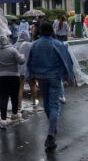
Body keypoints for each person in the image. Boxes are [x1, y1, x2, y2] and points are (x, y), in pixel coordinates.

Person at [26, 22, 74, 150]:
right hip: (54, 77)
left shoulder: (35, 45)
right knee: (54, 104)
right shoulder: (57, 44)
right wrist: (69, 76)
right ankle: (51, 134)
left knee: (46, 103)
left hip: (41, 77)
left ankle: (52, 126)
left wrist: (30, 77)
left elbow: (29, 62)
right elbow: (67, 60)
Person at [0, 32, 25, 129]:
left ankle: (3, 120)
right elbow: (21, 62)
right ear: (7, 40)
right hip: (14, 76)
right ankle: (14, 114)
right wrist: (22, 56)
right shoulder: (13, 50)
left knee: (3, 97)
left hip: (1, 78)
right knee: (14, 96)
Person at [14, 30, 38, 109]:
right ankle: (34, 101)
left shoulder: (14, 46)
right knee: (33, 85)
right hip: (30, 70)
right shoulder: (31, 45)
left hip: (19, 70)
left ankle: (19, 106)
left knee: (20, 87)